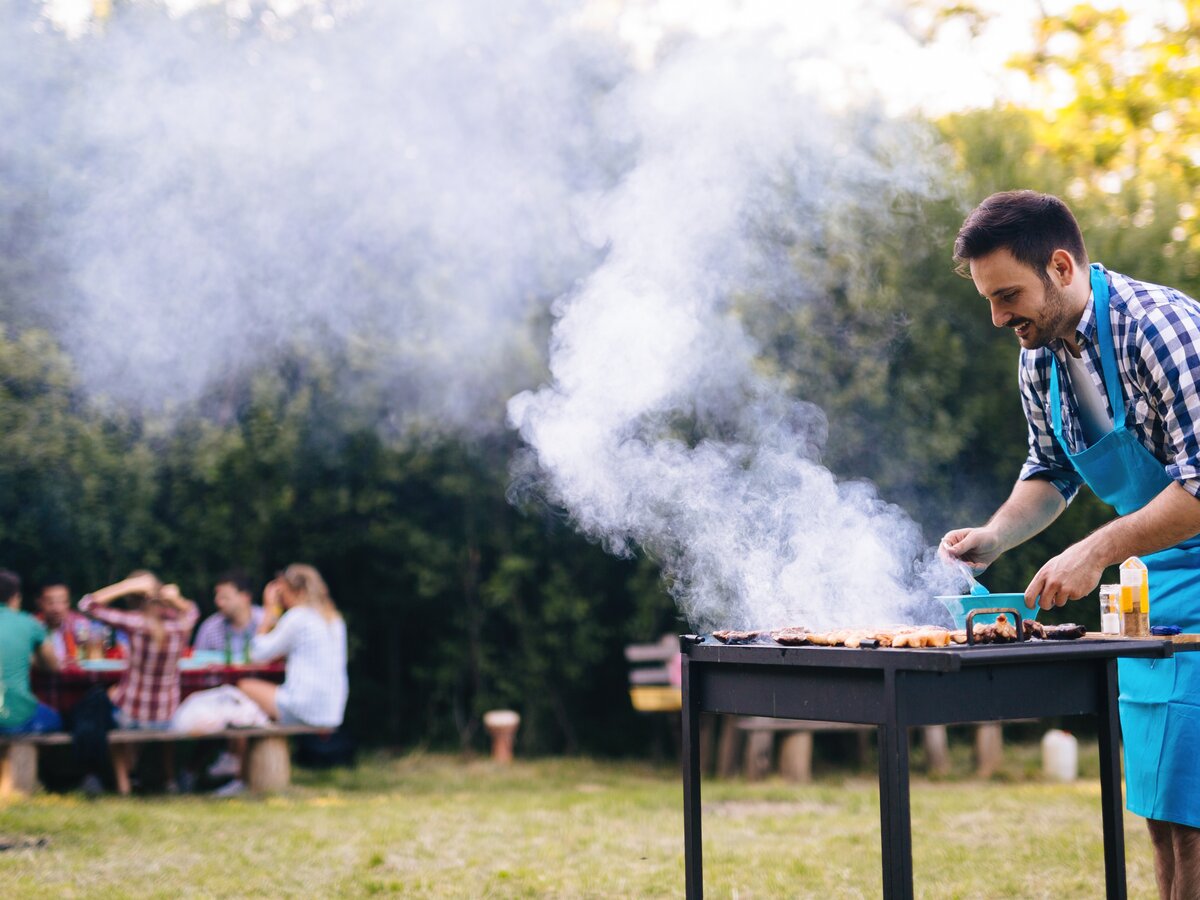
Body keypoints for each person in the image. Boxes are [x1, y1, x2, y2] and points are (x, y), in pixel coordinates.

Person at [942, 190, 1200, 898]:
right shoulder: (1039, 359)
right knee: (1164, 816)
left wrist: (1095, 551)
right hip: (1153, 597)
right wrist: (993, 537)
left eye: (1008, 295)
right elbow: (1050, 474)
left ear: (1060, 266)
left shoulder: (1160, 329)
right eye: (989, 301)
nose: (999, 318)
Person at [217, 564, 347, 796]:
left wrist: (269, 613)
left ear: (295, 591)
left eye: (282, 592)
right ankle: (242, 773)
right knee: (258, 703)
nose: (281, 599)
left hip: (303, 706)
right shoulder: (333, 618)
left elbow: (258, 653)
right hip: (332, 709)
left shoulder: (298, 617)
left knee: (243, 687)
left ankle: (235, 765)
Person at [79, 572, 199, 794]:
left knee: (107, 704)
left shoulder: (135, 623)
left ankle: (123, 783)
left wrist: (126, 585)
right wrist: (174, 599)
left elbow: (87, 605)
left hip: (132, 716)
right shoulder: (180, 625)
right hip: (166, 717)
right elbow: (193, 611)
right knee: (142, 707)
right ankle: (169, 779)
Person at [0, 569, 63, 734]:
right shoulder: (29, 623)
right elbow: (53, 666)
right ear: (15, 598)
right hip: (16, 718)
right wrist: (29, 658)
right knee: (57, 718)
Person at [192, 570, 264, 662]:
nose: (219, 603)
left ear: (245, 597)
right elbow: (197, 665)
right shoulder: (210, 628)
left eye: (225, 597)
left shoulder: (266, 621)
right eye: (217, 597)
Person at [36, 578, 102, 664]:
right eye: (50, 602)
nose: (56, 609)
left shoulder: (78, 623)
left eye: (61, 601)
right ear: (40, 603)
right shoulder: (33, 626)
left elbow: (91, 649)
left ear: (68, 603)